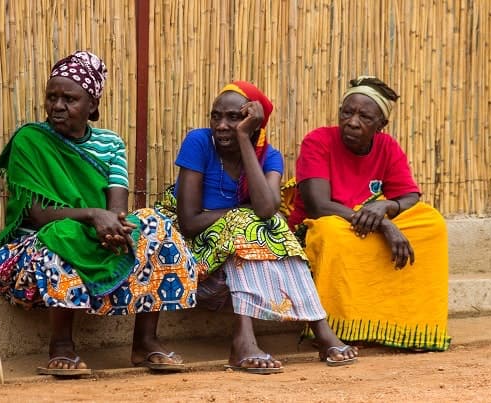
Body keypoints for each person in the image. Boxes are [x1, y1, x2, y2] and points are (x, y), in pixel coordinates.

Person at [0, 51, 198, 376]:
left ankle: (145, 342)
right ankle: (61, 347)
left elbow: (117, 206)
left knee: (158, 225)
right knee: (61, 235)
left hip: (93, 233)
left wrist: (114, 227)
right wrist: (92, 216)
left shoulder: (110, 144)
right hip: (31, 249)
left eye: (69, 99)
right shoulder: (30, 141)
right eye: (52, 97)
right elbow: (40, 216)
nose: (58, 106)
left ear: (92, 106)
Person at [166, 80, 358, 374]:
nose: (221, 125)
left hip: (236, 253)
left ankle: (311, 330)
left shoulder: (269, 156)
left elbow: (267, 209)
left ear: (253, 122)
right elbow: (189, 222)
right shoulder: (199, 142)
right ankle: (270, 338)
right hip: (189, 250)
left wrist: (244, 140)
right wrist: (239, 214)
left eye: (234, 118)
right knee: (250, 221)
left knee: (268, 222)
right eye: (216, 116)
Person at [288, 76, 451, 351]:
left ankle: (407, 326)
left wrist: (387, 207)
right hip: (327, 223)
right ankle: (343, 330)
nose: (352, 121)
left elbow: (409, 195)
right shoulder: (318, 141)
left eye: (364, 116)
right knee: (331, 233)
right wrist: (385, 226)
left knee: (432, 224)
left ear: (380, 126)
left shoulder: (387, 147)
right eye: (347, 112)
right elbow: (318, 206)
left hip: (366, 222)